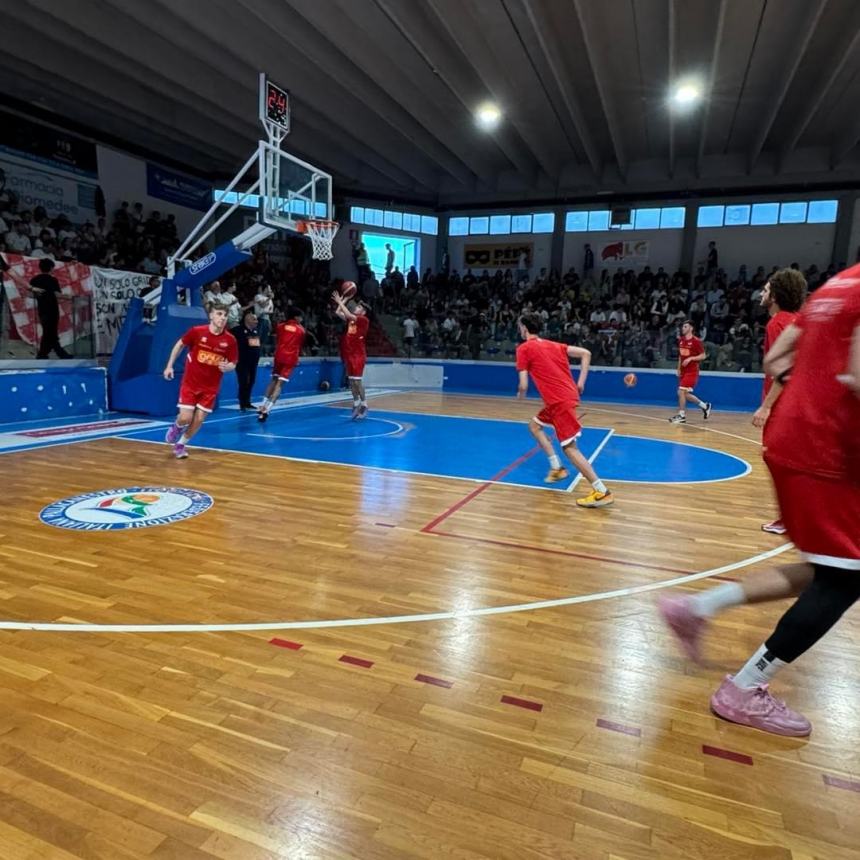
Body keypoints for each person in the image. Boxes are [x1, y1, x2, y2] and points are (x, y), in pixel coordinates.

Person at [659, 263, 860, 737]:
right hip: (827, 449)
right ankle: (745, 688)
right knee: (846, 578)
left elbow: (779, 359)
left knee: (827, 569)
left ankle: (697, 608)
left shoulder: (843, 281)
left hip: (795, 437)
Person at [515, 314, 613, 508]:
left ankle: (601, 491)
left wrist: (520, 395)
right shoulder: (554, 345)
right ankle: (556, 468)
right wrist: (581, 383)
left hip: (559, 402)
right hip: (561, 398)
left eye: (520, 326)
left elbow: (524, 385)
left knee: (570, 448)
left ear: (524, 328)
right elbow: (586, 353)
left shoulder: (523, 348)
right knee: (534, 426)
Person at [751, 268, 807, 535]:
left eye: (766, 289)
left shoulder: (777, 324)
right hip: (801, 403)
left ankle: (790, 517)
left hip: (785, 405)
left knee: (775, 458)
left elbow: (786, 371)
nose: (762, 293)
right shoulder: (796, 320)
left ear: (775, 295)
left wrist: (766, 406)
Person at [162, 304, 238, 459]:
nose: (222, 318)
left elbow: (233, 362)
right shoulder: (197, 332)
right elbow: (180, 344)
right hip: (191, 383)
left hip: (210, 387)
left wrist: (227, 367)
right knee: (185, 418)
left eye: (225, 315)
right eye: (219, 314)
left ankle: (181, 444)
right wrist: (169, 366)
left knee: (200, 418)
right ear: (211, 316)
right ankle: (177, 427)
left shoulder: (230, 340)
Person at [257, 306, 305, 422]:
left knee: (273, 380)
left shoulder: (280, 326)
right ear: (296, 317)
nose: (302, 319)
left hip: (279, 356)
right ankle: (267, 410)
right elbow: (299, 345)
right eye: (301, 317)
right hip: (290, 359)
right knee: (279, 385)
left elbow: (278, 339)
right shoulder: (301, 330)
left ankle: (262, 405)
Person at [332, 291, 370, 419]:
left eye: (359, 307)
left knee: (357, 382)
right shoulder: (351, 320)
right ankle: (356, 403)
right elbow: (338, 312)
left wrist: (340, 301)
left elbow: (347, 313)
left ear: (363, 312)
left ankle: (364, 404)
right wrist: (344, 299)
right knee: (351, 381)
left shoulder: (363, 320)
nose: (356, 308)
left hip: (358, 355)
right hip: (349, 353)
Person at [669, 320, 712, 423]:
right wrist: (678, 368)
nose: (683, 328)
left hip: (692, 372)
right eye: (683, 327)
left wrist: (691, 358)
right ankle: (705, 406)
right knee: (685, 394)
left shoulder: (696, 341)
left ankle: (681, 416)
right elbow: (681, 356)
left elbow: (703, 355)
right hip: (683, 371)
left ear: (691, 328)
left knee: (680, 392)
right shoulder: (681, 340)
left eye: (685, 326)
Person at [29, 259, 71, 359]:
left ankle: (43, 353)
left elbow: (30, 294)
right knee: (51, 332)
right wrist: (69, 297)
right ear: (51, 268)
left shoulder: (34, 279)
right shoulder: (53, 280)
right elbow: (56, 294)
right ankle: (59, 353)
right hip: (52, 308)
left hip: (42, 309)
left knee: (48, 331)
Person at [232, 309, 262, 412]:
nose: (256, 321)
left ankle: (248, 402)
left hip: (253, 362)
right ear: (247, 319)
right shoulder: (237, 330)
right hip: (242, 362)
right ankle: (242, 403)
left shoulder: (255, 331)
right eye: (254, 319)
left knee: (251, 381)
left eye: (256, 320)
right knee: (243, 382)